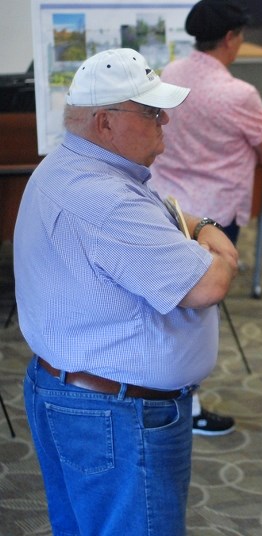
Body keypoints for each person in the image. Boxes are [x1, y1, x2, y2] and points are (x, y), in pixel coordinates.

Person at [15, 48, 238, 534]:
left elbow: (173, 212)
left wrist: (203, 227)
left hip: (91, 400)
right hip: (116, 415)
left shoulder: (79, 167)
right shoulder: (104, 198)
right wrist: (217, 243)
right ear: (104, 122)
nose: (165, 123)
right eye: (152, 113)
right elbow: (210, 283)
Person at [149, 0, 262, 436]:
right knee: (200, 310)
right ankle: (187, 401)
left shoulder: (168, 73)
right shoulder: (239, 93)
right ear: (230, 38)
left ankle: (163, 389)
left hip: (167, 206)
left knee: (163, 303)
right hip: (213, 215)